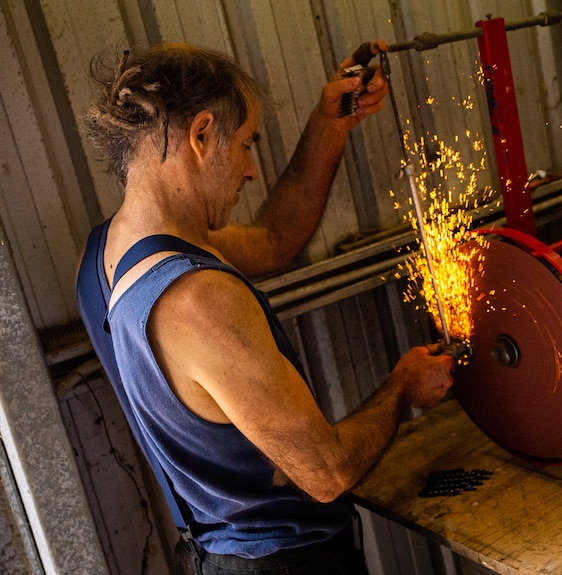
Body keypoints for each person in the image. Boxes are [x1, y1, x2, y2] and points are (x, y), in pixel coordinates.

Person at [76, 42, 454, 574]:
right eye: (247, 144)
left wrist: (330, 125)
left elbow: (277, 239)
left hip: (213, 556)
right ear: (202, 134)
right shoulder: (199, 300)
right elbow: (326, 472)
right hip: (283, 563)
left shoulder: (103, 258)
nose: (251, 170)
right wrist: (402, 389)